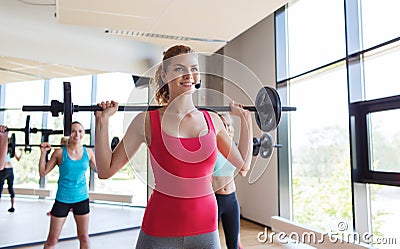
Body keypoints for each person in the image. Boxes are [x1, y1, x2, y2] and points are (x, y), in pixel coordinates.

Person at [94, 44, 253, 249]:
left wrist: (246, 122)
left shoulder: (213, 120)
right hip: (160, 228)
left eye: (194, 68)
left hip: (206, 228)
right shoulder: (146, 122)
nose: (189, 75)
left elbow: (243, 166)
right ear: (164, 74)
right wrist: (103, 123)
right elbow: (105, 170)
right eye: (179, 69)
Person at [39, 121, 96, 249]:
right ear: (68, 133)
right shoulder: (59, 153)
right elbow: (43, 172)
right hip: (62, 199)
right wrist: (43, 153)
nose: (77, 134)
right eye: (73, 131)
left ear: (84, 133)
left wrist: (109, 153)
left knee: (84, 237)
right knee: (52, 240)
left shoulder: (89, 152)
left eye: (80, 131)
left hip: (82, 199)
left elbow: (101, 171)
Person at [213, 113, 246, 249]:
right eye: (222, 124)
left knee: (234, 244)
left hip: (232, 200)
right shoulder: (211, 148)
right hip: (214, 200)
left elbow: (243, 170)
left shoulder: (233, 148)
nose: (226, 127)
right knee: (210, 243)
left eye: (228, 124)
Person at [0, 147, 22, 213]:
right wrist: (22, 152)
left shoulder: (2, 149)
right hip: (10, 170)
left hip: (3, 170)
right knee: (10, 188)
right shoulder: (10, 150)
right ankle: (12, 207)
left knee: (0, 189)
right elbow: (18, 159)